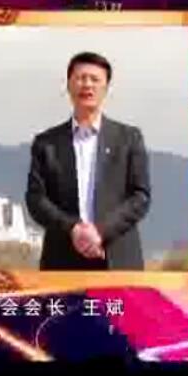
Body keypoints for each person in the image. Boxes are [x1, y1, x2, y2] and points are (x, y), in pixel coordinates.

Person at [25, 52, 151, 270]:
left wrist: (100, 231)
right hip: (62, 258)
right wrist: (73, 229)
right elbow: (36, 199)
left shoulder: (128, 138)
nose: (87, 85)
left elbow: (140, 196)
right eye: (80, 78)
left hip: (117, 258)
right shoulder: (47, 143)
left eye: (95, 79)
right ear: (68, 85)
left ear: (106, 87)